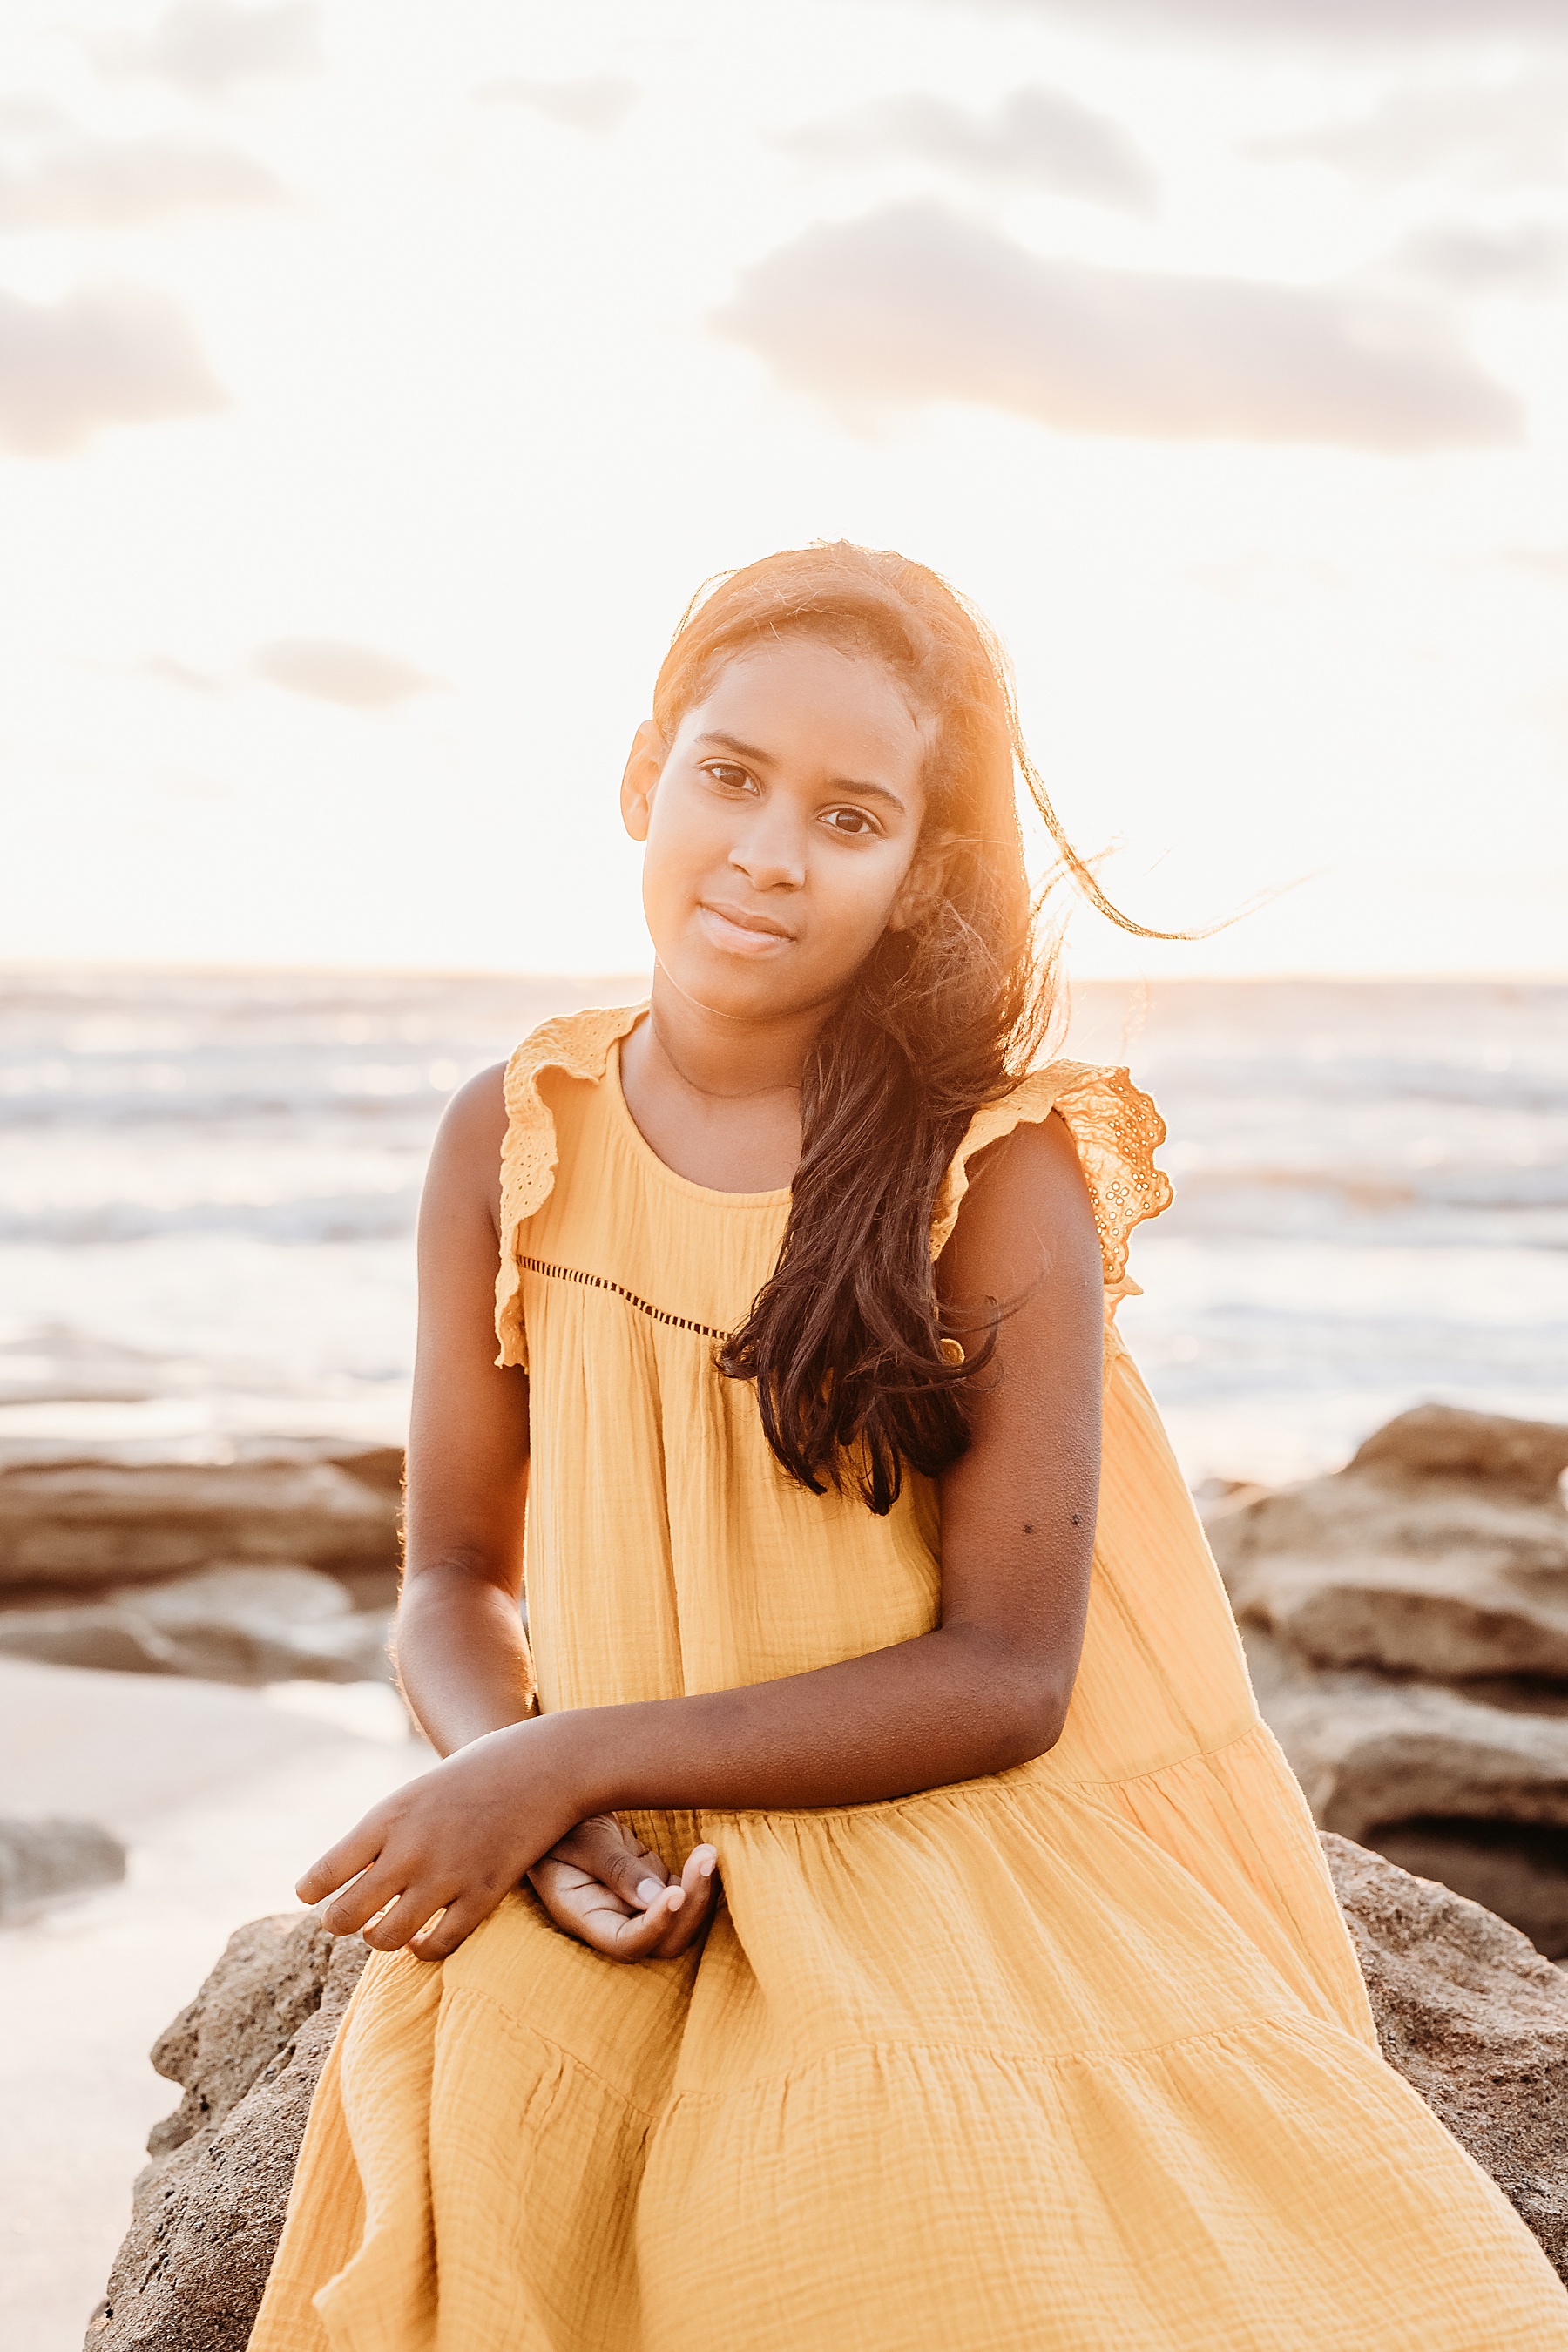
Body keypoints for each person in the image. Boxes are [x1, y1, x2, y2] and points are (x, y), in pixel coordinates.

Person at [251, 544, 1568, 2351]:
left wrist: (565, 1760)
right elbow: (449, 1579)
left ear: (917, 869)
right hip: (632, 1836)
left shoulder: (988, 1167)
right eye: (729, 777)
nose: (770, 852)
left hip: (935, 1831)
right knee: (475, 2213)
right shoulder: (515, 1129)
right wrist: (528, 1790)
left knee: (898, 2245)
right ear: (646, 773)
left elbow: (1011, 1675)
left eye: (849, 817)